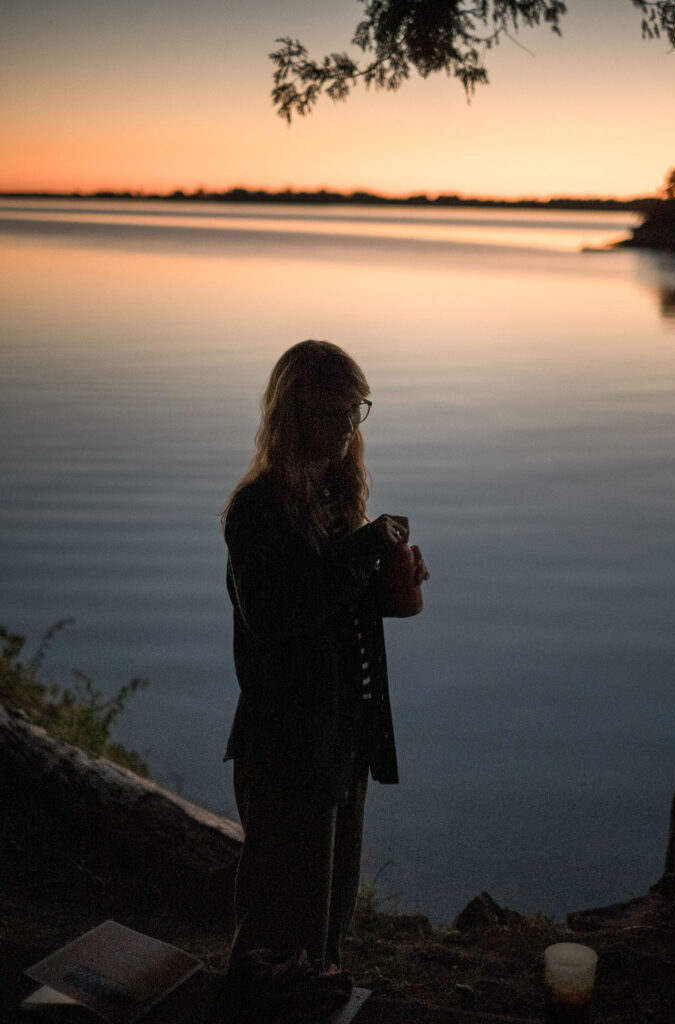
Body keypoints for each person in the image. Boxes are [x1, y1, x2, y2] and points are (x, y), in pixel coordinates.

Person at [221, 339, 427, 971]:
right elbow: (280, 617)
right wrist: (365, 550)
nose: (347, 427)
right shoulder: (257, 508)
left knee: (329, 905)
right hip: (286, 737)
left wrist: (395, 577)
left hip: (341, 729)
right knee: (279, 913)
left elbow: (337, 608)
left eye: (356, 411)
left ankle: (314, 992)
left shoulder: (336, 496)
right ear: (295, 413)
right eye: (334, 413)